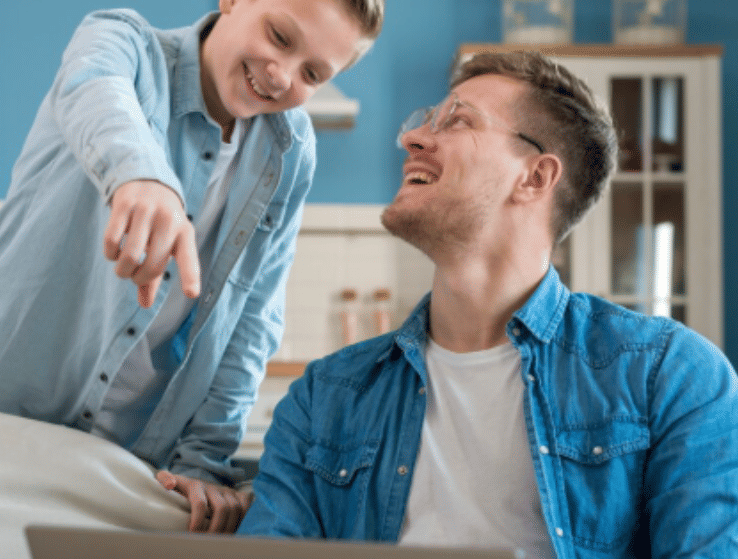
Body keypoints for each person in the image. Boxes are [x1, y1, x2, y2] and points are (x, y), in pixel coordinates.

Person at [0, 0, 385, 534]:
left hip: (136, 454)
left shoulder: (290, 149)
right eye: (280, 37)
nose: (282, 75)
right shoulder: (121, 42)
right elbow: (95, 89)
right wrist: (142, 176)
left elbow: (251, 318)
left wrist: (204, 460)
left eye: (313, 72)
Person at [237, 51, 738, 557]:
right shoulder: (324, 398)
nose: (412, 139)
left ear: (535, 177)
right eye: (425, 121)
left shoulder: (669, 376)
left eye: (457, 121)